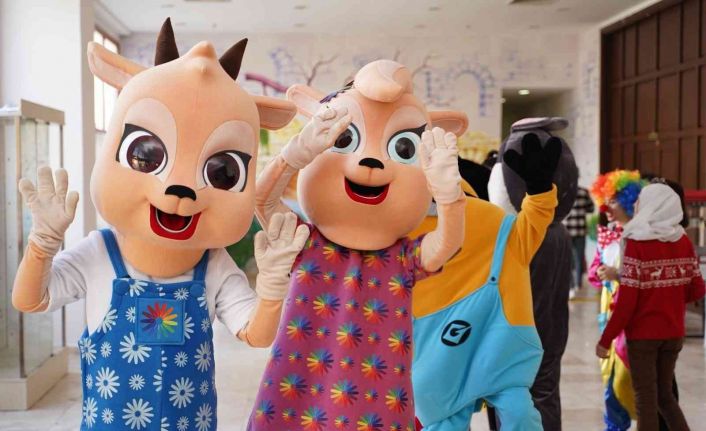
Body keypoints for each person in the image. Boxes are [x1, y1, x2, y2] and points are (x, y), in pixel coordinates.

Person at [11, 20, 306, 430]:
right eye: (146, 155)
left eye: (223, 172)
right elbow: (30, 300)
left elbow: (256, 335)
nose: (181, 189)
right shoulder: (98, 254)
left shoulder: (214, 264)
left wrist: (272, 289)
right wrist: (41, 246)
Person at [248, 60, 467, 431]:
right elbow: (263, 202)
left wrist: (449, 197)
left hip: (376, 405)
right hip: (297, 396)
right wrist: (293, 156)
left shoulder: (403, 258)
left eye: (402, 148)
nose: (370, 162)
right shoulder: (302, 241)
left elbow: (446, 245)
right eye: (344, 140)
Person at [596, 182, 705, 431]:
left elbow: (627, 301)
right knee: (665, 396)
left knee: (645, 399)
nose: (636, 205)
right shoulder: (682, 240)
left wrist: (606, 339)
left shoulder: (637, 243)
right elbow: (697, 289)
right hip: (674, 332)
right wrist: (669, 297)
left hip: (643, 336)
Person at [588, 170, 643, 431]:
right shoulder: (607, 235)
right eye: (604, 201)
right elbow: (594, 274)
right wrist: (600, 271)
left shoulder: (641, 236)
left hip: (633, 317)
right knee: (609, 375)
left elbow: (643, 277)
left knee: (625, 377)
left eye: (611, 201)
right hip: (608, 314)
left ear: (629, 201)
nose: (605, 208)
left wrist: (617, 274)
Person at [563, 185, 595, 297]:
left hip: (566, 230)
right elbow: (591, 208)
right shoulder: (583, 192)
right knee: (579, 258)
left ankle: (570, 284)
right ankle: (578, 284)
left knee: (567, 259)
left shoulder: (563, 190)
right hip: (580, 230)